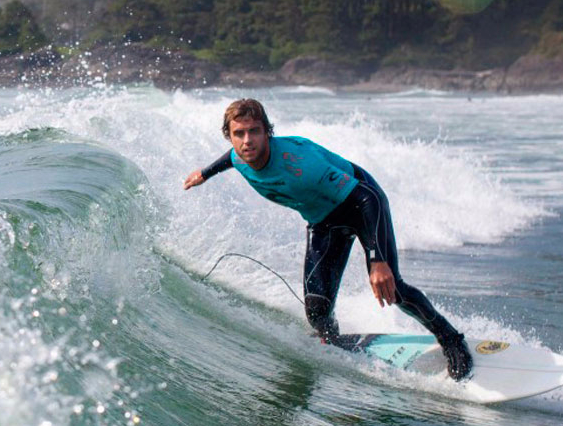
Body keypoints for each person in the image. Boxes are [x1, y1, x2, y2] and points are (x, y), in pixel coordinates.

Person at [183, 98, 473, 380]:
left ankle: (451, 339)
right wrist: (205, 174)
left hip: (361, 205)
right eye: (239, 133)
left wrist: (377, 260)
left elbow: (366, 197)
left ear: (267, 132)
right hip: (323, 221)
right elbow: (229, 159)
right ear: (229, 136)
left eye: (255, 131)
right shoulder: (239, 155)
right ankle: (332, 341)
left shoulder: (301, 165)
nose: (248, 141)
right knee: (317, 311)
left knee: (392, 288)